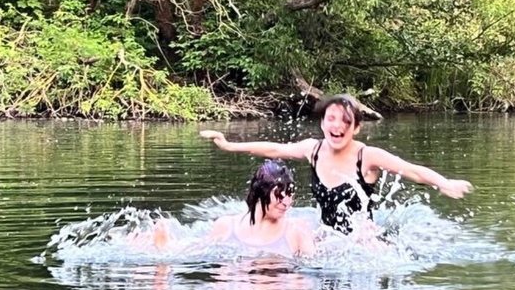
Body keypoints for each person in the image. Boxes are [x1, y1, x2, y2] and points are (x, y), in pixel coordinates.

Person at [200, 94, 473, 233]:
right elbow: (274, 148)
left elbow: (410, 169)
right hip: (326, 237)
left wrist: (443, 183)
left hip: (361, 240)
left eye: (345, 121)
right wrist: (228, 144)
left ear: (355, 128)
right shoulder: (314, 149)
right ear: (322, 123)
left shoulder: (367, 156)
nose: (337, 126)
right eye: (331, 119)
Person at [147, 159, 316, 258]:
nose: (286, 202)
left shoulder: (297, 230)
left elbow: (314, 271)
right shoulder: (227, 225)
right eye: (279, 195)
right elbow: (192, 252)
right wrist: (164, 247)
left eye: (289, 194)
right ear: (260, 192)